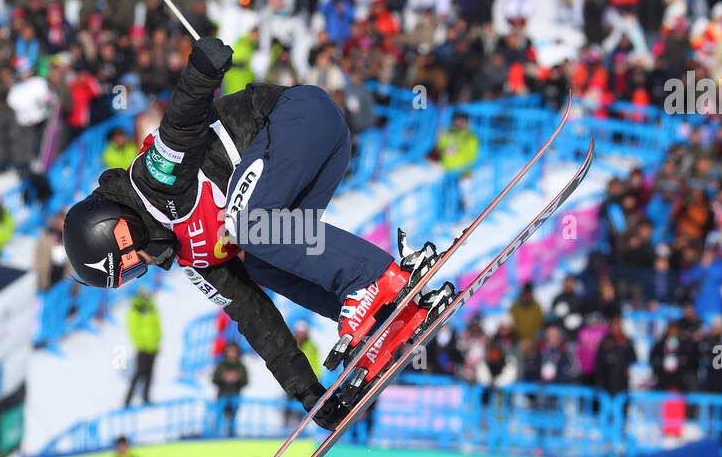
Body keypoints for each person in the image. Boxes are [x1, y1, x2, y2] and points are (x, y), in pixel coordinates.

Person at [60, 36, 448, 434]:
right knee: (263, 262)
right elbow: (253, 315)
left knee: (246, 225)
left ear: (116, 225)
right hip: (322, 159)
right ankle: (386, 317)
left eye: (129, 256)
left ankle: (370, 280)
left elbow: (180, 124)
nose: (143, 263)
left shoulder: (153, 182)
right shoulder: (194, 260)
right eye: (130, 274)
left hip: (298, 119)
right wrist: (307, 390)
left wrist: (203, 70)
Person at [125, 289, 161, 406]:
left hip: (152, 347)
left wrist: (155, 344)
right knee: (139, 374)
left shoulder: (151, 310)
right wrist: (142, 345)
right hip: (143, 348)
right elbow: (135, 331)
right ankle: (128, 399)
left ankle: (146, 396)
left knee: (149, 374)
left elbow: (156, 329)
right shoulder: (136, 312)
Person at [212, 342, 250, 436]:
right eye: (230, 351)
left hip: (235, 395)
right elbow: (214, 380)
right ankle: (216, 435)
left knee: (234, 417)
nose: (231, 353)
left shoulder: (241, 366)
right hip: (222, 395)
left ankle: (232, 434)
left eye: (234, 351)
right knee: (218, 414)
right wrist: (223, 377)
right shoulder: (221, 365)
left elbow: (246, 381)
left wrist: (237, 378)